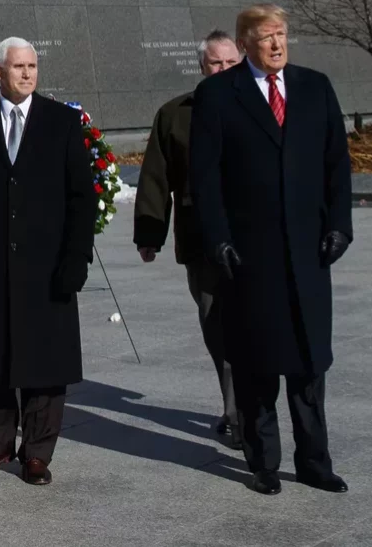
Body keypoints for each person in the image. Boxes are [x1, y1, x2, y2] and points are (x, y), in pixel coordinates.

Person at [190, 4, 354, 496]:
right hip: (249, 254)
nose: (277, 44)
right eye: (266, 37)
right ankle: (263, 461)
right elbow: (206, 175)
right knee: (257, 361)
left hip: (307, 251)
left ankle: (314, 462)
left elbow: (336, 164)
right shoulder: (218, 93)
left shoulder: (314, 87)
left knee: (308, 362)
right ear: (245, 45)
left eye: (282, 34)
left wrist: (340, 225)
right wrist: (217, 237)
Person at [0, 37, 95, 485]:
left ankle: (37, 455)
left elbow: (81, 197)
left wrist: (76, 258)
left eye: (32, 66)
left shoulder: (62, 122)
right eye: (18, 67)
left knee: (45, 365)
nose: (27, 74)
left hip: (48, 268)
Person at [135, 28, 247, 446]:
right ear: (202, 67)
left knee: (252, 327)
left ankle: (250, 410)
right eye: (215, 63)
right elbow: (155, 175)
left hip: (254, 238)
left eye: (230, 62)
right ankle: (235, 410)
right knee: (216, 324)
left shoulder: (261, 106)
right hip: (201, 239)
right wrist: (150, 232)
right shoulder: (175, 114)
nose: (222, 69)